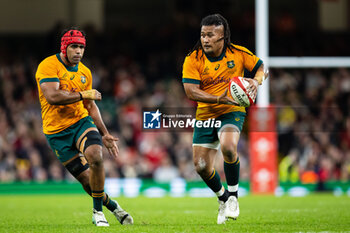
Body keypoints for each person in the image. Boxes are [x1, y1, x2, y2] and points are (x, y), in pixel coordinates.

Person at [35, 28, 134, 227]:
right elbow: (52, 97)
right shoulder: (48, 65)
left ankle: (98, 212)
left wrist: (105, 133)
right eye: (74, 47)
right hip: (56, 133)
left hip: (80, 122)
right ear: (64, 47)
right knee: (88, 182)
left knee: (96, 156)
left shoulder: (84, 72)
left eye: (81, 47)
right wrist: (83, 95)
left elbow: (90, 105)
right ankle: (113, 206)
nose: (78, 51)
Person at [182, 14, 267, 224]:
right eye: (203, 35)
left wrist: (256, 82)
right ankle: (223, 197)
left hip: (232, 111)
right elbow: (191, 92)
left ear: (223, 37)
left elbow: (261, 67)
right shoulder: (193, 59)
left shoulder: (238, 54)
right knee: (201, 166)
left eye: (211, 35)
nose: (205, 39)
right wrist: (220, 97)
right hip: (205, 114)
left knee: (229, 147)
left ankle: (234, 197)